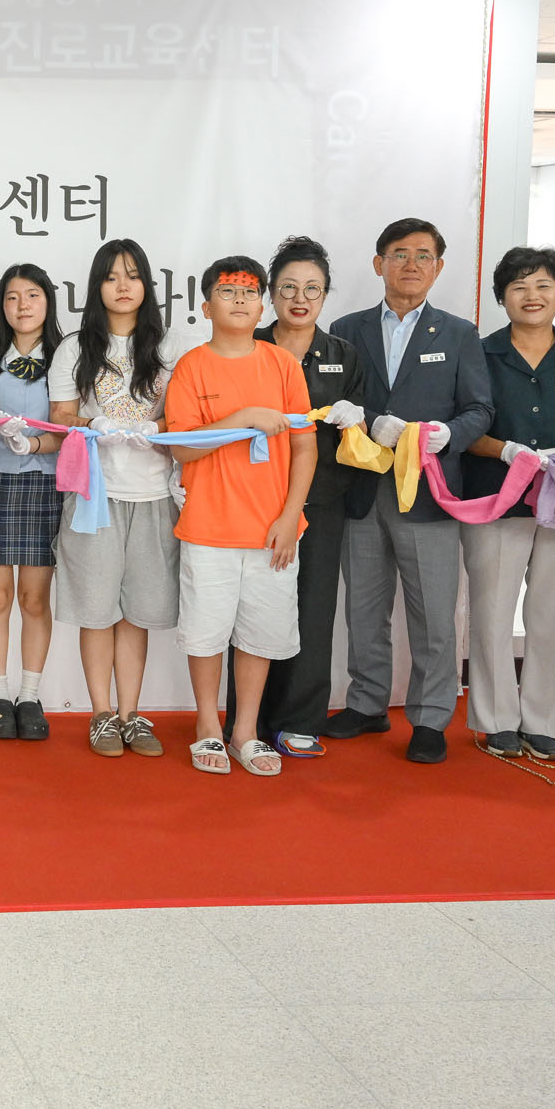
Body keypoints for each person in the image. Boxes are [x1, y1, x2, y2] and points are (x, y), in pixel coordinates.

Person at [326, 217, 493, 764]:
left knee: (434, 614)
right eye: (399, 254)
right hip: (362, 488)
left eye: (424, 255)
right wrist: (368, 419)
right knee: (364, 608)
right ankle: (367, 703)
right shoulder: (347, 328)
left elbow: (480, 409)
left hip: (429, 492)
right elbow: (336, 400)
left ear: (439, 267)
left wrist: (449, 435)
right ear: (379, 264)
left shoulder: (459, 333)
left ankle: (430, 716)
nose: (411, 264)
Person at [168, 257, 316, 776]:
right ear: (206, 306)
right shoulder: (192, 367)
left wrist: (289, 517)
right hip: (208, 527)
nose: (240, 300)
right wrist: (243, 419)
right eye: (228, 292)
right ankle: (207, 725)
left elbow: (304, 447)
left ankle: (244, 731)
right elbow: (182, 448)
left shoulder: (283, 365)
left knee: (260, 634)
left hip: (273, 530)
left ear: (263, 305)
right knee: (206, 633)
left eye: (250, 293)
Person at [461, 246, 555, 761]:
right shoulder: (477, 354)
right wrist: (506, 451)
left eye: (543, 285)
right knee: (491, 612)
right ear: (501, 296)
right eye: (519, 286)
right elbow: (461, 425)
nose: (532, 295)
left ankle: (542, 721)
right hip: (495, 498)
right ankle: (497, 720)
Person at [227, 236, 367, 760]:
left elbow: (363, 432)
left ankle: (300, 719)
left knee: (313, 607)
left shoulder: (343, 355)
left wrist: (359, 418)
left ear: (326, 295)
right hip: (253, 498)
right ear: (270, 293)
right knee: (251, 609)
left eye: (312, 288)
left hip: (321, 500)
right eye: (288, 287)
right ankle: (248, 722)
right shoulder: (247, 344)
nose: (300, 298)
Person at [48, 238, 187, 759]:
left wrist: (158, 427)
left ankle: (131, 715)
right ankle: (102, 714)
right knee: (97, 610)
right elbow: (60, 416)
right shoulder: (74, 347)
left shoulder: (172, 346)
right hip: (94, 496)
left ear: (147, 283)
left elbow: (187, 417)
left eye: (132, 275)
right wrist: (94, 423)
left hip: (154, 495)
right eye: (111, 277)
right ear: (97, 286)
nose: (123, 286)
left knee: (137, 613)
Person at [0, 263, 67, 741]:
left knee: (34, 598)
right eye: (11, 297)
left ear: (48, 300)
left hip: (46, 485)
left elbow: (71, 422)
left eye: (32, 295)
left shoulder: (66, 355)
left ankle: (30, 695)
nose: (22, 306)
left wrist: (36, 443)